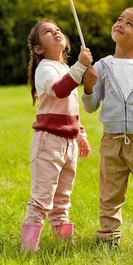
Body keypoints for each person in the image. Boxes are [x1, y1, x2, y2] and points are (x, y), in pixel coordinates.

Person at [82, 7, 133, 254]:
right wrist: (87, 87)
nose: (120, 24)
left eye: (129, 23)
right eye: (119, 19)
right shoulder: (102, 66)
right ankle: (108, 240)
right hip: (112, 142)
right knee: (109, 195)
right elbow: (90, 107)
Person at [21, 19, 92, 252]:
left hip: (68, 143)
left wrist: (80, 135)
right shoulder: (46, 69)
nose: (56, 32)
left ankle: (64, 244)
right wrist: (80, 67)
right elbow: (60, 91)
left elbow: (72, 110)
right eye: (48, 32)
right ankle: (29, 248)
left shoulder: (64, 69)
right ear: (39, 49)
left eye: (58, 30)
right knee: (42, 199)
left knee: (62, 199)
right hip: (48, 141)